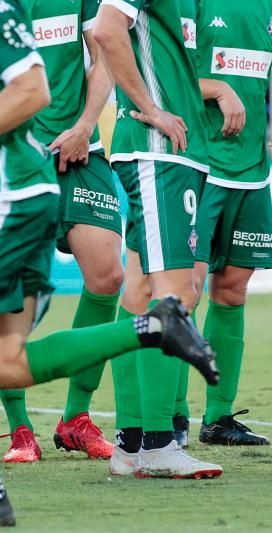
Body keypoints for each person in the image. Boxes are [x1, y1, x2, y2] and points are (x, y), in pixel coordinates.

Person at [0, 0, 219, 527]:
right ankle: (154, 326)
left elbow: (34, 90)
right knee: (4, 360)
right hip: (21, 186)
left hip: (2, 191)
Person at [94, 0, 225, 477]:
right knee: (175, 295)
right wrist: (149, 108)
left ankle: (130, 445)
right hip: (157, 156)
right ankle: (157, 442)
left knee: (141, 295)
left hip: (176, 157)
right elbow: (107, 30)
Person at [0, 0, 122, 464]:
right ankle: (19, 429)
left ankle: (75, 418)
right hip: (14, 158)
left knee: (107, 277)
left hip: (80, 147)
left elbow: (103, 52)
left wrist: (85, 125)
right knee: (10, 290)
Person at [185, 0, 272, 447]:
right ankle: (170, 418)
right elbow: (162, 76)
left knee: (233, 287)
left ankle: (218, 418)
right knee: (186, 289)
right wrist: (217, 87)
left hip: (254, 169)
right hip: (201, 164)